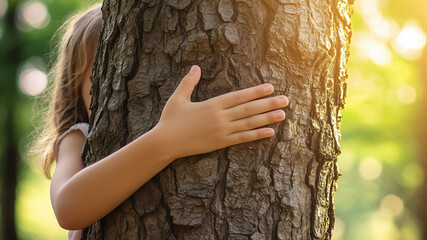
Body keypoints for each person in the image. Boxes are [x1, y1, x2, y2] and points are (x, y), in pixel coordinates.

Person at [30, 5, 289, 239]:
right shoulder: (77, 138)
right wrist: (168, 140)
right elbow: (67, 208)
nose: (125, 87)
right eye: (104, 77)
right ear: (75, 88)